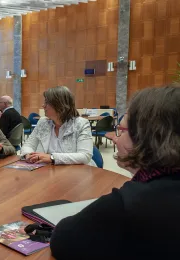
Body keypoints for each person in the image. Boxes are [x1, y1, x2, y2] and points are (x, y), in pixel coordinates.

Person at [50, 85, 180, 259]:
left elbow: (63, 240)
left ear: (146, 137)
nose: (114, 138)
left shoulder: (127, 204)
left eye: (121, 131)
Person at [20, 86, 95, 166]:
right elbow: (28, 144)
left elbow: (85, 156)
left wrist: (52, 158)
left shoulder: (81, 124)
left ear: (59, 105)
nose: (43, 106)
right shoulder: (43, 122)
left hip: (74, 173)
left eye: (46, 103)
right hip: (46, 172)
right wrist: (28, 155)